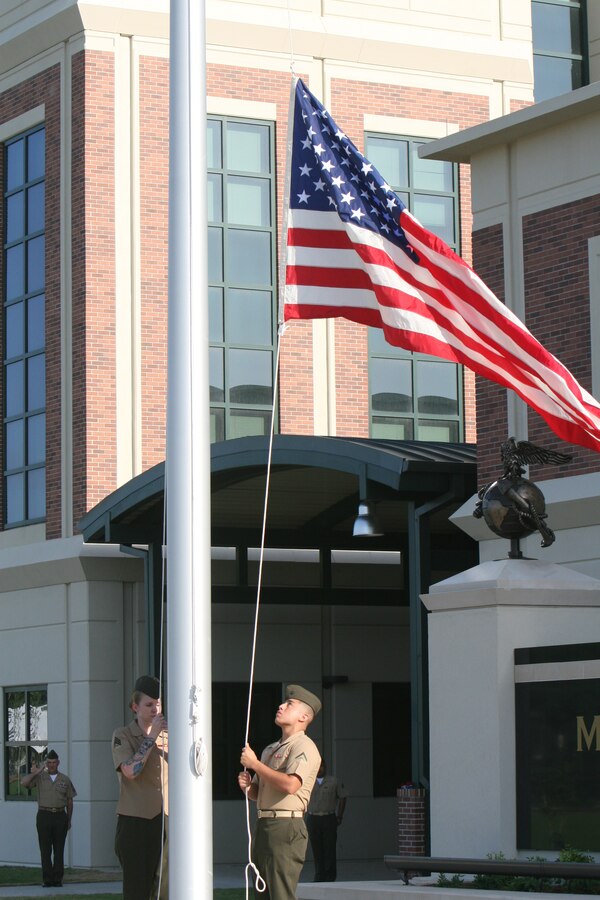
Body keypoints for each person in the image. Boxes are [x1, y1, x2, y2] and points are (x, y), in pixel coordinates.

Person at [238, 683, 322, 900]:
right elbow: (258, 793)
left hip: (286, 826)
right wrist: (248, 786)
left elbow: (291, 785)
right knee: (262, 894)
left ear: (303, 717)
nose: (281, 706)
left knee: (280, 895)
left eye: (289, 704)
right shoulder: (270, 749)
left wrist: (256, 765)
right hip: (265, 825)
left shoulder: (304, 746)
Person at [111, 675, 168, 900]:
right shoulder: (123, 735)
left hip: (165, 823)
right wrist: (152, 736)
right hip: (135, 824)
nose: (155, 709)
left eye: (159, 704)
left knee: (166, 890)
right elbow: (130, 771)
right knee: (138, 892)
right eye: (149, 704)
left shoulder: (170, 737)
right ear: (135, 707)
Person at [20, 749, 77, 888]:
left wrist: (69, 820)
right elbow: (24, 783)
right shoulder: (40, 778)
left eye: (54, 762)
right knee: (45, 849)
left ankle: (57, 880)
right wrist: (37, 771)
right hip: (44, 815)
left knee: (59, 849)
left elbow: (70, 801)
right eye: (49, 762)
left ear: (58, 763)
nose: (52, 765)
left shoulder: (65, 779)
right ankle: (47, 879)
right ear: (46, 763)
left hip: (59, 815)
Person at [306, 759, 348, 881]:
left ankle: (330, 876)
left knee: (329, 848)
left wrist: (340, 816)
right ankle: (319, 875)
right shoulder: (308, 781)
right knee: (316, 848)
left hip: (328, 817)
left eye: (322, 766)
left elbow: (343, 797)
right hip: (313, 817)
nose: (319, 769)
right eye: (317, 767)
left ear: (325, 767)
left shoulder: (333, 781)